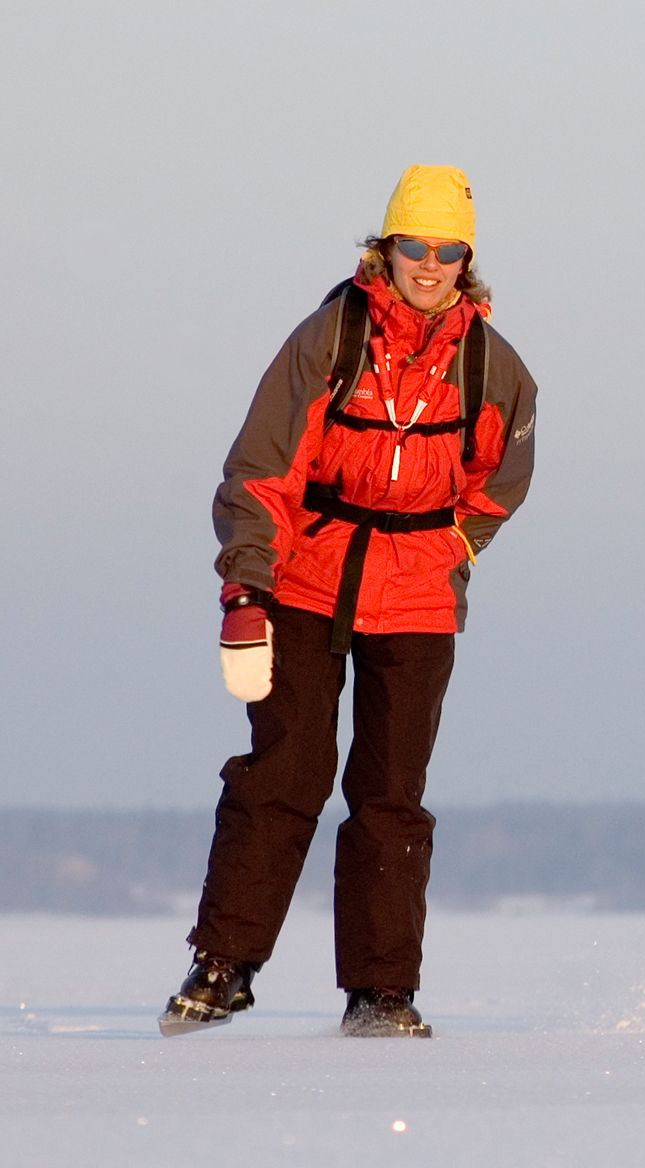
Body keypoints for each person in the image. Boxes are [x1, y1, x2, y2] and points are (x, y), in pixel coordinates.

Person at [160, 165, 537, 1037]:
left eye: (448, 251)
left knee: (391, 793)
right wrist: (246, 587)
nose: (431, 265)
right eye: (416, 247)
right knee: (284, 775)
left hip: (416, 600)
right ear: (387, 246)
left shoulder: (492, 364)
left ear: (466, 258)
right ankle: (223, 968)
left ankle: (381, 992)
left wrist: (451, 548)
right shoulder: (329, 338)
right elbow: (260, 471)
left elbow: (502, 480)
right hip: (306, 579)